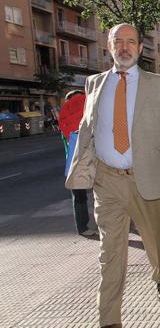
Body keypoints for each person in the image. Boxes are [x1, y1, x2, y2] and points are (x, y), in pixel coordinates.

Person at [65, 23, 160, 328]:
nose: (124, 47)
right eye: (117, 41)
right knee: (111, 254)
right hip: (107, 181)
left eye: (130, 42)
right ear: (109, 47)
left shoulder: (159, 84)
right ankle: (110, 320)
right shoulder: (94, 84)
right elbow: (89, 129)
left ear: (140, 48)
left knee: (157, 241)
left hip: (150, 176)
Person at [58, 90, 98, 238]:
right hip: (95, 154)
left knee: (79, 195)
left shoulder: (64, 113)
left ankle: (82, 227)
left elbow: (66, 137)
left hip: (74, 160)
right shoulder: (89, 105)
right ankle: (111, 222)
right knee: (103, 191)